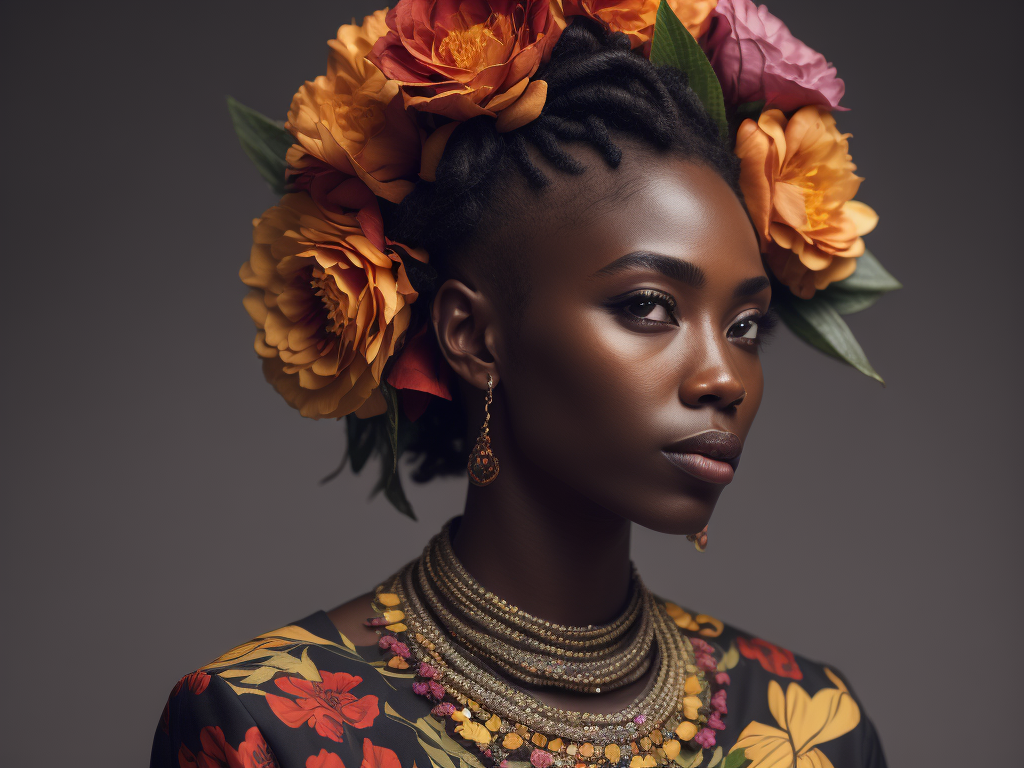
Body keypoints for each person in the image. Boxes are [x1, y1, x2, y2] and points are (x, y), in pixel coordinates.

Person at [154, 2, 893, 766]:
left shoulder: (813, 729)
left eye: (743, 326)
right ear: (473, 337)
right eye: (648, 306)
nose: (723, 378)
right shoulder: (265, 726)